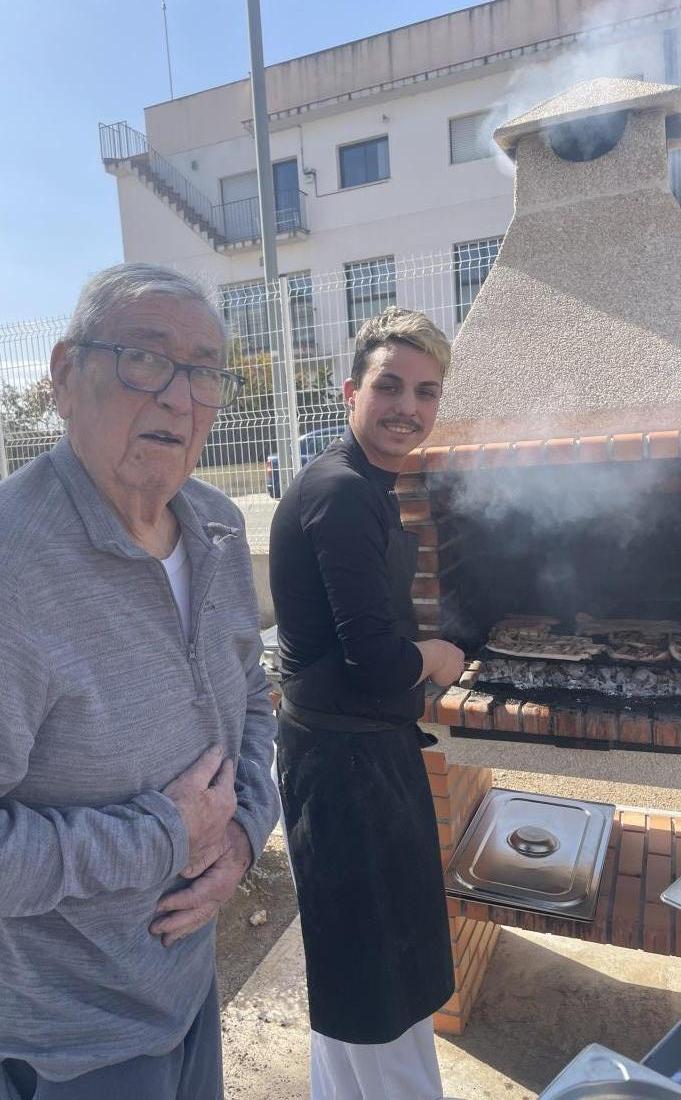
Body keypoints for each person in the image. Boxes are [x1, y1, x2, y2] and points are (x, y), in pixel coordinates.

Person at [0, 263, 279, 1100]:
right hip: (62, 1041)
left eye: (203, 372)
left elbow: (251, 698)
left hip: (183, 988)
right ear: (62, 376)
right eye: (144, 358)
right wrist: (161, 837)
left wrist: (239, 834)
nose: (178, 397)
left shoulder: (218, 528)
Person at [269, 305, 465, 1100]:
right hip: (342, 768)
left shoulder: (365, 484)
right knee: (378, 984)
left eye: (425, 391)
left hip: (351, 755)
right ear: (351, 391)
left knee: (359, 972)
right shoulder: (343, 492)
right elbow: (377, 660)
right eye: (389, 386)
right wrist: (438, 657)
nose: (406, 407)